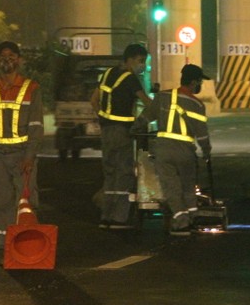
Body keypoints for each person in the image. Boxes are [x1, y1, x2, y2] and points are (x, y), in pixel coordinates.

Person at [0, 41, 44, 249]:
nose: (7, 60)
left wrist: (30, 157)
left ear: (19, 60)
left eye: (11, 56)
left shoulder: (32, 89)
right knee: (0, 201)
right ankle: (6, 246)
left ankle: (26, 245)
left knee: (26, 201)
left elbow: (36, 126)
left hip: (22, 154)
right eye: (3, 56)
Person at [131, 64, 212, 236]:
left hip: (163, 149)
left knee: (171, 187)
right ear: (194, 82)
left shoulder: (163, 97)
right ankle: (190, 218)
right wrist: (206, 152)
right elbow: (202, 134)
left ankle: (181, 221)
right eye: (200, 82)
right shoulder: (197, 105)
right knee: (188, 186)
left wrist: (134, 129)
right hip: (186, 151)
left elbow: (145, 117)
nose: (200, 85)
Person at [89, 43, 151, 229]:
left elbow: (93, 100)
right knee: (124, 173)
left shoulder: (108, 74)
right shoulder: (131, 79)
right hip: (122, 131)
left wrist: (102, 116)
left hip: (106, 130)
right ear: (130, 59)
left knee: (110, 173)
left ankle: (105, 216)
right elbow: (147, 102)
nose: (142, 66)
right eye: (141, 61)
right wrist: (143, 120)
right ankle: (119, 218)